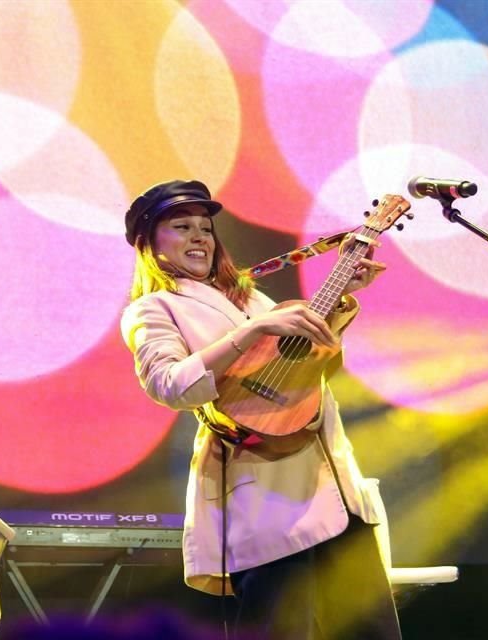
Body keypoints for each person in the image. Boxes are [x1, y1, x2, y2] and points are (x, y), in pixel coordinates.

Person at [120, 180, 401, 639]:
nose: (199, 237)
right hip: (269, 507)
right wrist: (250, 333)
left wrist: (340, 298)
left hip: (337, 492)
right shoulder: (154, 309)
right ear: (149, 245)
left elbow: (301, 367)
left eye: (206, 228)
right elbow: (168, 384)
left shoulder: (250, 298)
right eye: (181, 226)